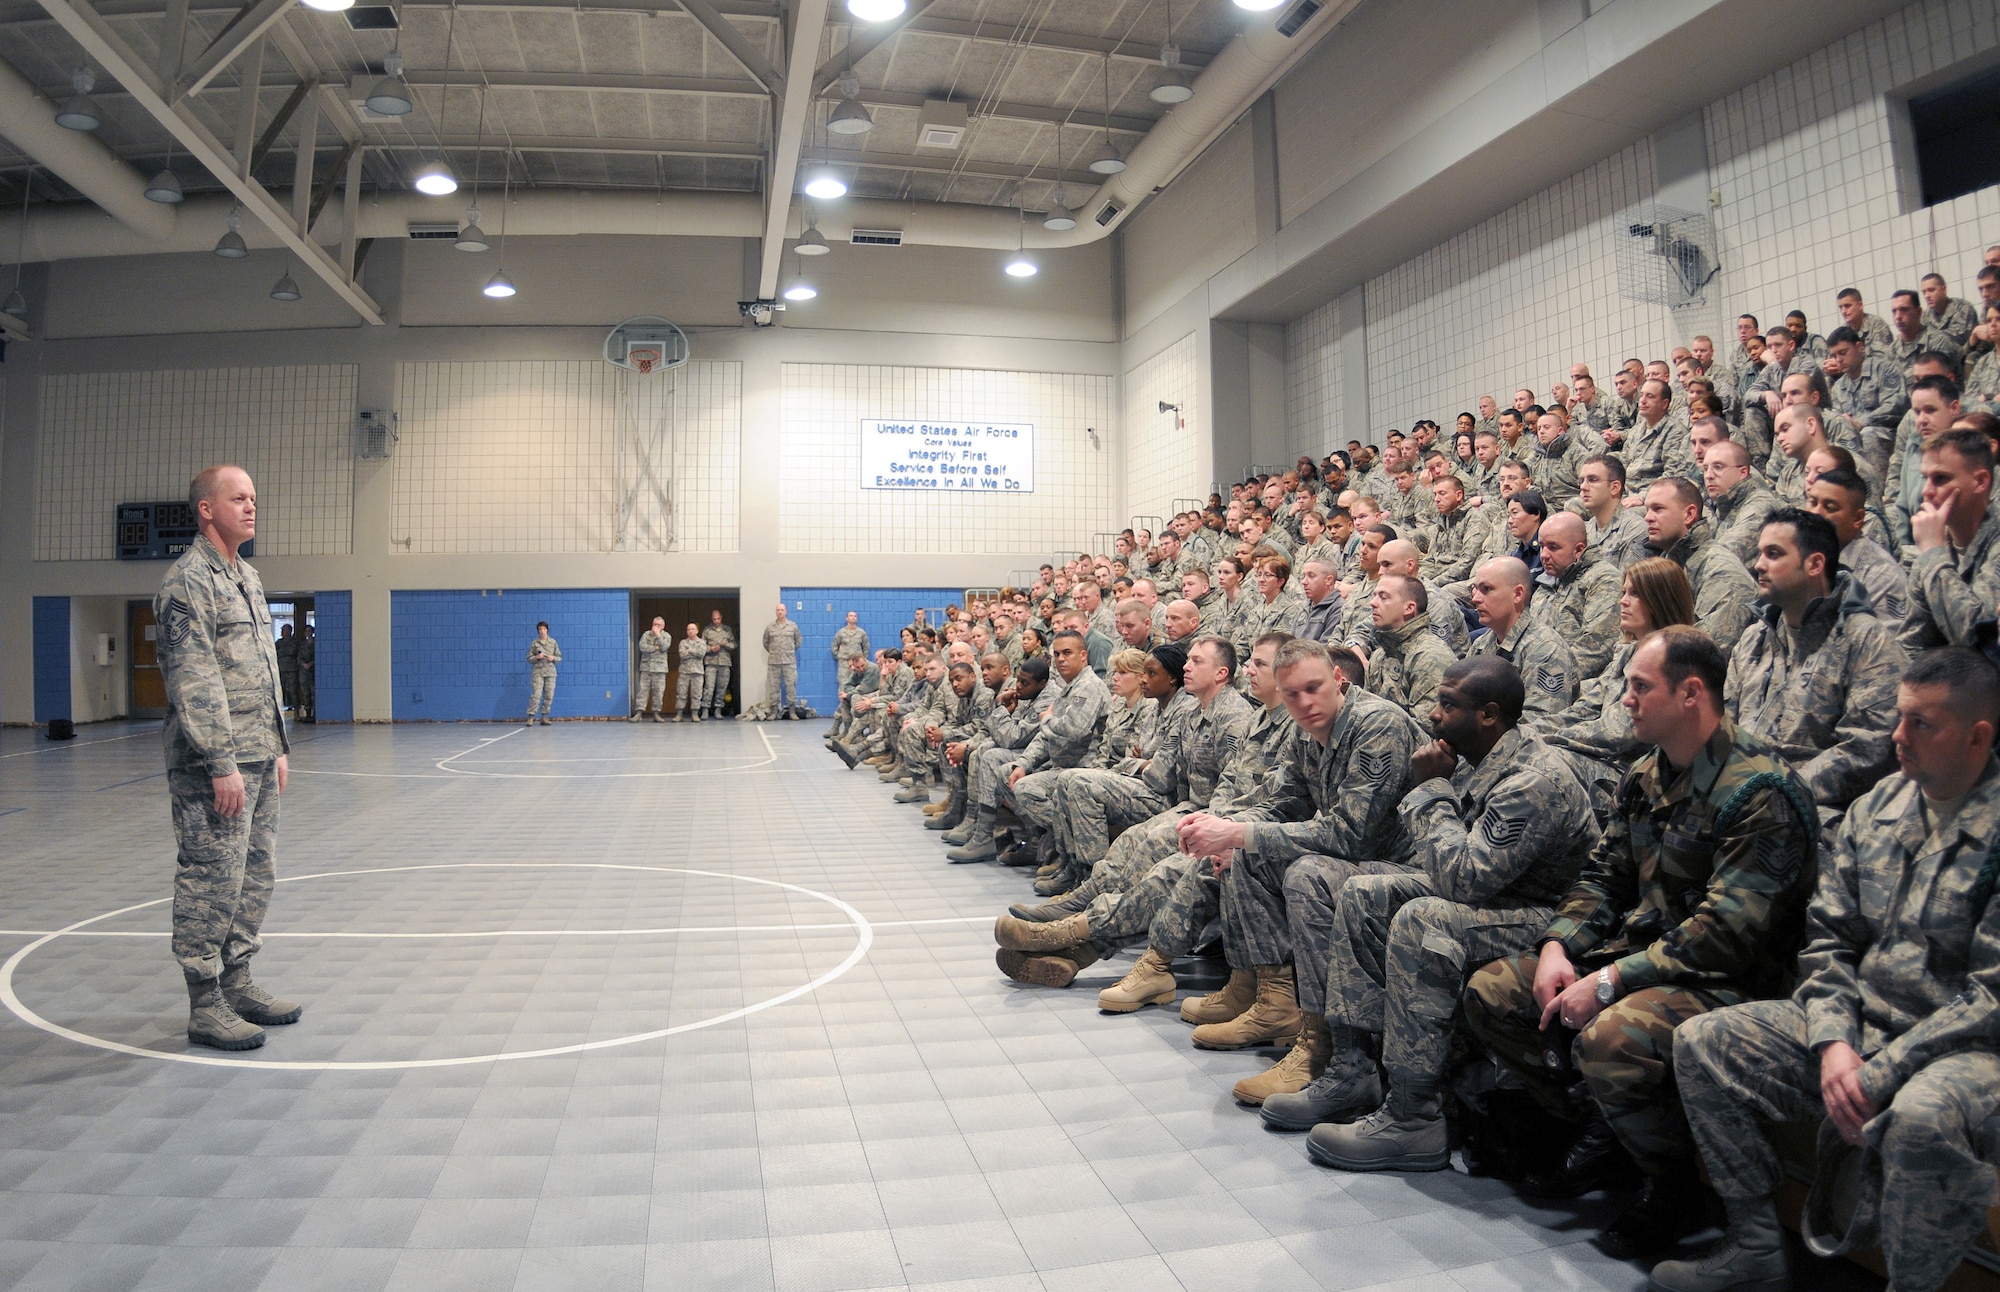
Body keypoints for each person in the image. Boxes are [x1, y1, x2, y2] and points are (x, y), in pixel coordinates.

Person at [1461, 627, 1819, 1260]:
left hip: (1728, 981)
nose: (1625, 699)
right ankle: (1601, 1134)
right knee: (1493, 992)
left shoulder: (1759, 790)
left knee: (1611, 1037)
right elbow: (1604, 877)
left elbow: (1726, 934)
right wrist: (1559, 947)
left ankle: (1669, 1185)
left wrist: (1611, 981)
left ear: (1691, 693)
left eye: (1639, 686)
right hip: (1644, 958)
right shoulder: (1647, 773)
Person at [1660, 647, 2000, 1292]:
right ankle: (1755, 1246)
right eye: (1898, 718)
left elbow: (1991, 994)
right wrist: (1836, 1041)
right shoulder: (1878, 809)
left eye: (1921, 724)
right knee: (1705, 1044)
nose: (1896, 738)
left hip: (1966, 1048)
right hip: (1861, 1024)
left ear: (1979, 736)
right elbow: (1829, 939)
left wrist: (1884, 1071)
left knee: (1924, 1118)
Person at [1273, 658, 1598, 1174]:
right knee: (1363, 895)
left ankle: (1413, 1114)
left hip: (1548, 918)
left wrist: (1429, 791)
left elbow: (1462, 881)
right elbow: (1451, 867)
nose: (1433, 713)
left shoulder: (1531, 779)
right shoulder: (1473, 756)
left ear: (1489, 714)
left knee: (1425, 918)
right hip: (1498, 899)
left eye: (1448, 704)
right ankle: (1353, 1070)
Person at [1187, 640, 1425, 1066]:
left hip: (1410, 866)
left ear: (1339, 679)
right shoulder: (1304, 731)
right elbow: (1284, 803)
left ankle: (1322, 1043)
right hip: (1361, 856)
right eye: (1292, 694)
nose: (1304, 702)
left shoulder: (1377, 725)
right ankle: (1275, 1005)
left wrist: (1240, 832)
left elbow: (1350, 834)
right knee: (1249, 854)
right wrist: (1225, 833)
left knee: (1307, 874)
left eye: (1314, 688)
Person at [155, 465, 296, 1052]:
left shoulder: (248, 577)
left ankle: (238, 982)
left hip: (259, 754)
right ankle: (205, 1000)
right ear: (206, 509)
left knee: (253, 874)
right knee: (211, 877)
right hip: (215, 763)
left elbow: (263, 667)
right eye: (238, 498)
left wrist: (279, 745)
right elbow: (195, 680)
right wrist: (220, 761)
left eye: (254, 499)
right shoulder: (187, 581)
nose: (251, 507)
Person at [1728, 509, 1903, 835]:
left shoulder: (1866, 640)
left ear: (1815, 564)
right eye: (1760, 553)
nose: (1758, 565)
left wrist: (1773, 787)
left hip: (1816, 813)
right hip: (1739, 798)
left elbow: (1870, 749)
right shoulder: (1754, 638)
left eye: (1774, 554)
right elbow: (1724, 727)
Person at [1902, 427, 2000, 650]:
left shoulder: (1932, 548)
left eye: (1940, 478)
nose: (1926, 491)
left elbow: (1977, 635)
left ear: (1981, 481)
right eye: (1924, 478)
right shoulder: (1933, 545)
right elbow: (1912, 645)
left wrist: (1934, 553)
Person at [1639, 476, 1759, 650]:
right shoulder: (1668, 562)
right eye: (1647, 509)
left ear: (1689, 514)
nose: (1648, 518)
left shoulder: (1721, 573)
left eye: (1658, 509)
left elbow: (1703, 655)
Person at [1467, 557, 1576, 718]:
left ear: (1517, 594)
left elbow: (1539, 726)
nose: (1475, 598)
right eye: (1475, 589)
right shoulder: (1481, 645)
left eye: (1487, 589)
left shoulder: (1546, 650)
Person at [1365, 573, 1456, 720]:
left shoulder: (1430, 657)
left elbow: (1429, 727)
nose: (1373, 603)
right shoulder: (1379, 655)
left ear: (1408, 608)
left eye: (1383, 597)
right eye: (1374, 595)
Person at [763, 603, 803, 718]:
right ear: (776, 612)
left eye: (782, 610)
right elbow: (766, 642)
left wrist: (788, 651)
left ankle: (792, 711)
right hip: (774, 662)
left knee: (791, 686)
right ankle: (774, 711)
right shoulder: (770, 627)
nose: (780, 612)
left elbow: (798, 641)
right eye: (778, 610)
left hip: (789, 662)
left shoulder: (793, 626)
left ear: (786, 612)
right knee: (774, 687)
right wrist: (774, 651)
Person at [634, 616, 670, 721]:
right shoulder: (646, 635)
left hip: (660, 669)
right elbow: (642, 647)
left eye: (658, 625)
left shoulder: (666, 636)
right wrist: (655, 648)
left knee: (658, 692)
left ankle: (656, 713)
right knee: (643, 690)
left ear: (663, 626)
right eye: (655, 624)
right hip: (646, 668)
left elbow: (664, 647)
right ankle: (639, 713)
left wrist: (658, 635)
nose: (656, 627)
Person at [701, 609, 736, 719]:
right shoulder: (707, 630)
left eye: (718, 618)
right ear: (712, 619)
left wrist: (726, 645)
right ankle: (705, 709)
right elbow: (701, 646)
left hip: (724, 662)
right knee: (709, 687)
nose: (716, 621)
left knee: (722, 687)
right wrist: (711, 648)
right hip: (711, 662)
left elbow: (734, 645)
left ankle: (718, 709)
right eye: (714, 619)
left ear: (721, 617)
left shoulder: (727, 630)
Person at [527, 621, 560, 725]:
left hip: (550, 672)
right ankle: (531, 717)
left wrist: (553, 658)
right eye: (540, 629)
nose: (542, 631)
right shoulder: (534, 643)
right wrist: (537, 657)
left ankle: (544, 717)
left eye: (544, 629)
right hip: (538, 673)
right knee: (536, 695)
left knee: (549, 695)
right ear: (538, 631)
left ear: (547, 630)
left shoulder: (553, 642)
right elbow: (529, 658)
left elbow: (559, 657)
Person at [673, 622, 707, 721]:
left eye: (692, 629)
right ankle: (679, 714)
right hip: (684, 671)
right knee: (681, 692)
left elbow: (701, 654)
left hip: (697, 672)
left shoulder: (701, 642)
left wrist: (690, 650)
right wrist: (693, 652)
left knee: (696, 693)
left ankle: (695, 714)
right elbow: (682, 655)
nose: (690, 631)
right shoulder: (683, 643)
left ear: (697, 631)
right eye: (688, 629)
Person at [293, 623, 315, 723]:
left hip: (313, 670)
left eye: (310, 631)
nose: (308, 633)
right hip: (304, 671)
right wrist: (303, 664)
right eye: (306, 631)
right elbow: (298, 657)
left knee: (313, 693)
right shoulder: (302, 644)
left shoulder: (316, 643)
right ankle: (307, 714)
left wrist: (311, 663)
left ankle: (315, 714)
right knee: (305, 693)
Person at [274, 623, 298, 712]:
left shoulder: (294, 641)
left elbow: (292, 651)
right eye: (282, 630)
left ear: (289, 631)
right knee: (280, 690)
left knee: (293, 690)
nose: (282, 632)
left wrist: (282, 651)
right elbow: (274, 652)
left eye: (285, 630)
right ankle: (280, 709)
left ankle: (296, 710)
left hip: (291, 669)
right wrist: (284, 652)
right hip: (281, 669)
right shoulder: (279, 642)